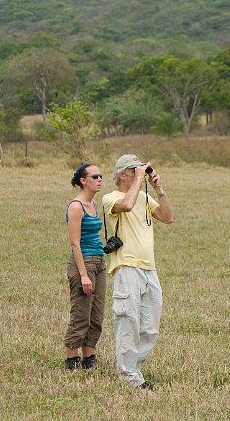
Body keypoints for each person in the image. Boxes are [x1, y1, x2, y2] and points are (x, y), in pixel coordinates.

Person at [102, 154, 174, 390]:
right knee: (128, 320)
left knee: (150, 326)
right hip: (127, 267)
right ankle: (129, 376)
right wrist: (138, 180)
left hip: (149, 267)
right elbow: (127, 205)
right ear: (123, 175)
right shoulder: (110, 198)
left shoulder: (144, 196)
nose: (139, 172)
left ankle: (133, 367)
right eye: (134, 170)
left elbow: (168, 217)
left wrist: (159, 189)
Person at [65, 163, 106, 370]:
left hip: (99, 261)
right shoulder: (76, 206)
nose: (99, 179)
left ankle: (89, 357)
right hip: (84, 262)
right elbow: (75, 243)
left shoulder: (93, 204)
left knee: (97, 314)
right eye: (95, 176)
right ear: (83, 181)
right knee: (81, 313)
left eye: (101, 176)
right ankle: (71, 359)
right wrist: (83, 275)